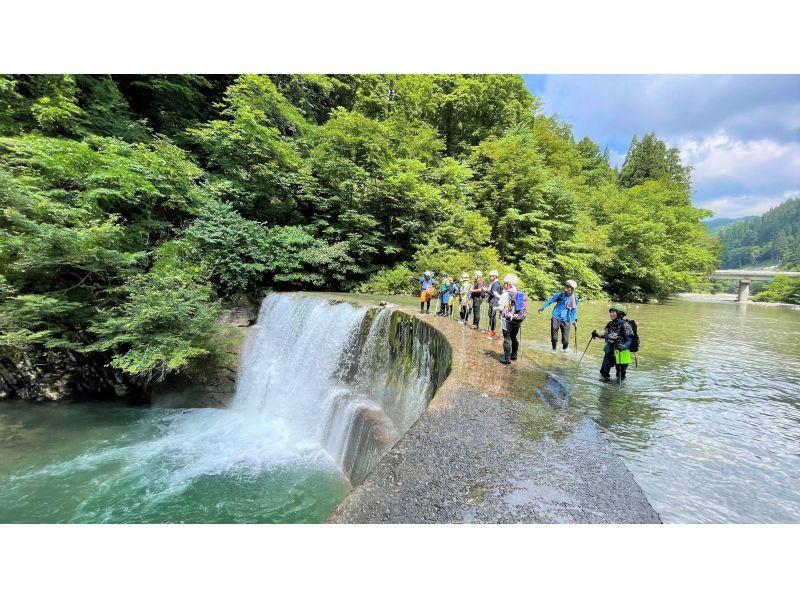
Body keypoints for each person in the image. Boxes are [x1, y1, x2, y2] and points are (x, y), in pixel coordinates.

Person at [592, 303, 634, 382]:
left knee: (620, 375)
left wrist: (624, 346)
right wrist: (597, 335)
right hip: (609, 351)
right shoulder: (610, 324)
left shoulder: (626, 325)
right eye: (610, 312)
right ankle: (606, 389)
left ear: (620, 314)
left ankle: (617, 390)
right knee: (603, 372)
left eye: (613, 312)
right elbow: (606, 335)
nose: (611, 314)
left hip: (622, 353)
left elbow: (629, 340)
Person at [538, 280, 579, 351]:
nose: (565, 287)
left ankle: (564, 352)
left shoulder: (575, 299)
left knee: (565, 340)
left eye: (568, 286)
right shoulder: (560, 295)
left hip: (566, 320)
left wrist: (574, 321)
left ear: (572, 289)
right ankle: (554, 350)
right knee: (554, 338)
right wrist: (542, 307)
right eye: (565, 285)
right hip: (555, 317)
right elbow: (550, 301)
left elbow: (574, 311)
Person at [497, 274, 527, 365]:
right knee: (514, 337)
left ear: (509, 284)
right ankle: (514, 355)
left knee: (507, 338)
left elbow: (501, 308)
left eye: (505, 283)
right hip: (518, 319)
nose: (504, 285)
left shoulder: (505, 294)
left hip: (507, 320)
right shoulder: (521, 294)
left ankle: (507, 359)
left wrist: (497, 310)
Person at [485, 270, 502, 338]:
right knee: (491, 315)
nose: (490, 277)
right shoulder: (496, 283)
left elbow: (493, 293)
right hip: (494, 301)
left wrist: (486, 290)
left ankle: (492, 331)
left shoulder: (495, 284)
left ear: (495, 276)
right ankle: (492, 330)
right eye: (490, 276)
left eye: (491, 276)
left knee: (492, 315)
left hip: (494, 301)